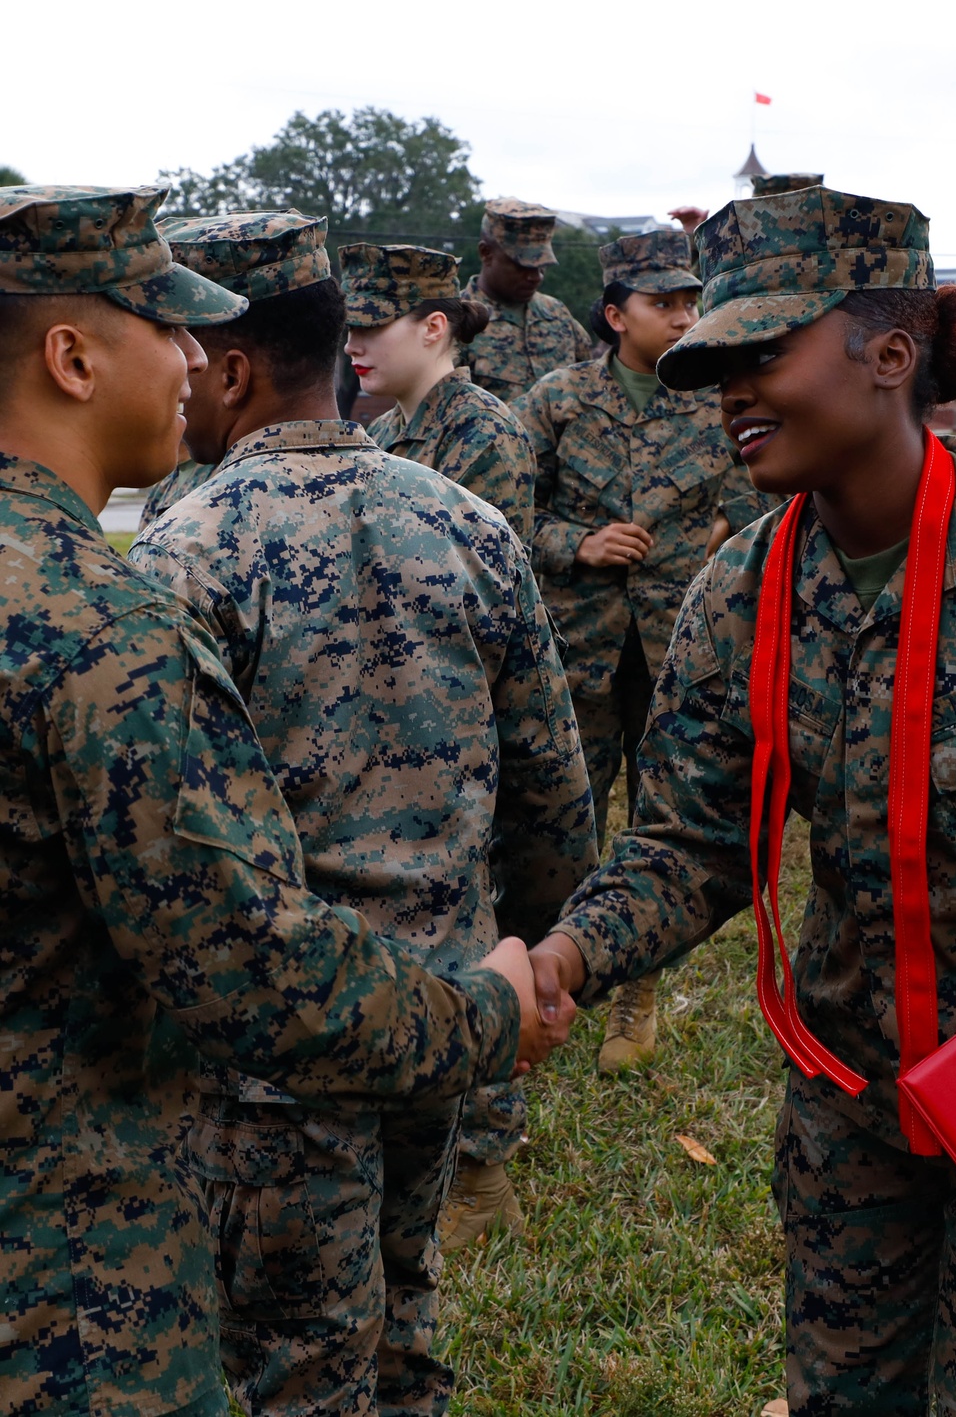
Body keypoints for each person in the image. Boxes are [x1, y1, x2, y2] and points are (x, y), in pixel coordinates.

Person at [0, 185, 566, 1417]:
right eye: (171, 329)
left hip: (263, 1088)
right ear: (72, 355)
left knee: (293, 1361)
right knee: (381, 1339)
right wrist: (501, 988)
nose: (194, 361)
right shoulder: (103, 615)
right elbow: (545, 795)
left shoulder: (163, 560)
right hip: (357, 1028)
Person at [528, 185, 956, 1416]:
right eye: (713, 363)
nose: (730, 391)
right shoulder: (746, 589)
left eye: (762, 353)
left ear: (889, 356)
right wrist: (567, 956)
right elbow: (690, 838)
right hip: (851, 1097)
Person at [513, 228, 768, 1071]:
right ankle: (549, 983)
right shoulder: (555, 401)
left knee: (663, 824)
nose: (685, 316)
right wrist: (576, 544)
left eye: (692, 302)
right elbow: (511, 515)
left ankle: (639, 994)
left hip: (679, 653)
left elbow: (756, 499)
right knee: (563, 818)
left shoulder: (715, 400)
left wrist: (723, 544)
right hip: (577, 648)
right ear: (618, 313)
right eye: (667, 304)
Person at [341, 242, 535, 546]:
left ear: (433, 328)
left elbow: (484, 580)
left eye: (370, 326)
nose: (351, 346)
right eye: (350, 328)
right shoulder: (380, 431)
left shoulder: (483, 432)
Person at [458, 197, 593, 403]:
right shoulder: (457, 321)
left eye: (541, 265)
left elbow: (590, 384)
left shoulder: (557, 314)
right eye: (523, 265)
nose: (536, 276)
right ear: (486, 253)